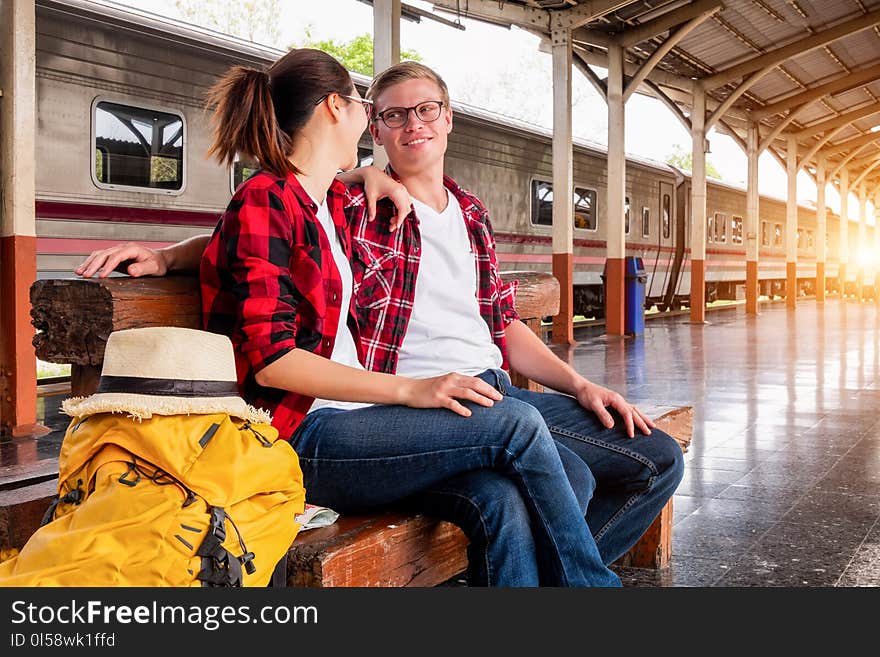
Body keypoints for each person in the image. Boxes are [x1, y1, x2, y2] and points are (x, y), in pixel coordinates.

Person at [76, 57, 683, 586]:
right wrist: (165, 258)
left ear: (448, 119)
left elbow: (250, 236)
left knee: (524, 489)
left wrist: (577, 382)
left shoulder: (347, 198)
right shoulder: (315, 200)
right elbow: (255, 275)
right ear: (339, 109)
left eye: (425, 111)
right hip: (317, 425)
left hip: (395, 410)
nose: (396, 123)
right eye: (383, 112)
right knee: (527, 439)